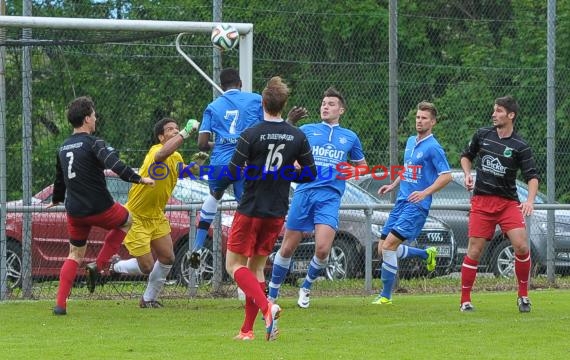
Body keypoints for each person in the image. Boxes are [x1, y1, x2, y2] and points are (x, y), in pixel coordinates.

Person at [225, 76, 316, 341]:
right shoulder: (298, 135)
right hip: (276, 211)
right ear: (283, 104)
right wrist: (288, 173)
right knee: (256, 269)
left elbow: (232, 171)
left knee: (234, 266)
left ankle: (268, 307)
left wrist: (246, 170)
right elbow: (309, 174)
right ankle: (246, 331)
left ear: (262, 102)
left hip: (251, 208)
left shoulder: (250, 134)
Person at [190, 68, 307, 269]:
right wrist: (289, 123)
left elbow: (202, 143)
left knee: (214, 194)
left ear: (221, 85)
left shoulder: (212, 106)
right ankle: (249, 259)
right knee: (247, 210)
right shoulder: (255, 100)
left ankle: (198, 245)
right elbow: (270, 128)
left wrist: (218, 145)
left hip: (219, 164)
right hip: (245, 163)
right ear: (240, 83)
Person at [48, 96, 155, 315]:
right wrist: (138, 178)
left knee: (74, 254)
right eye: (94, 115)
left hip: (75, 211)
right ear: (87, 118)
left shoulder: (63, 147)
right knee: (127, 220)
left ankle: (60, 305)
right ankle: (100, 264)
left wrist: (57, 198)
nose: (95, 119)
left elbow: (60, 179)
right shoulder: (94, 142)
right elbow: (114, 164)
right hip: (100, 208)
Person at [267, 86, 367, 308]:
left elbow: (362, 167)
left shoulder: (349, 137)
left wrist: (354, 171)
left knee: (322, 249)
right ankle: (272, 292)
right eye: (323, 103)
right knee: (287, 248)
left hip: (329, 197)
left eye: (331, 104)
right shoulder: (307, 130)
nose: (325, 107)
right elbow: (286, 150)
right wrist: (293, 161)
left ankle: (306, 286)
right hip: (304, 192)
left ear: (341, 110)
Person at [95, 117, 205, 308]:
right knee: (146, 267)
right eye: (170, 129)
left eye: (177, 128)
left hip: (156, 216)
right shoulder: (156, 151)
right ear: (161, 136)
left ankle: (148, 299)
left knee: (168, 258)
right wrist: (185, 133)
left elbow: (180, 173)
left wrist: (195, 167)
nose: (175, 131)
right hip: (135, 217)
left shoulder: (176, 156)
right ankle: (115, 265)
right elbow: (163, 154)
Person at [459, 95, 538, 313]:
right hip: (482, 201)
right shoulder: (482, 135)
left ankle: (523, 296)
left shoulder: (520, 146)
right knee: (474, 251)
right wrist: (467, 174)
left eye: (499, 111)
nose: (494, 114)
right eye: (494, 110)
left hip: (507, 203)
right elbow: (466, 156)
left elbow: (532, 177)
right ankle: (465, 300)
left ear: (511, 115)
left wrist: (530, 201)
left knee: (521, 245)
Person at [372, 101, 452, 304]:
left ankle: (385, 296)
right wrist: (393, 185)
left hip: (416, 206)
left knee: (389, 246)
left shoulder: (434, 148)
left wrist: (425, 193)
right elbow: (408, 168)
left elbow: (446, 176)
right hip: (401, 201)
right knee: (382, 249)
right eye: (418, 117)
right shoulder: (410, 141)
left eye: (424, 118)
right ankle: (426, 254)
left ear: (432, 122)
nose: (419, 121)